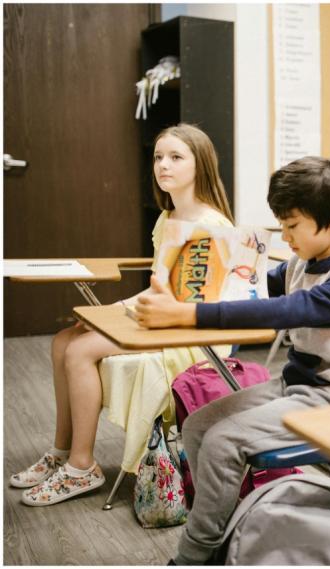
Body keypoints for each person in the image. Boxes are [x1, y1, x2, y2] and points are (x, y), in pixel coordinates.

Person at [134, 156, 330, 565]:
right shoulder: (302, 263)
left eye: (292, 226)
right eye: (281, 225)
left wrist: (188, 314)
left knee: (223, 442)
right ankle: (221, 531)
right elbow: (247, 289)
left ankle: (194, 555)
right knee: (198, 426)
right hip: (299, 387)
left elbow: (282, 310)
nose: (285, 237)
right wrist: (186, 283)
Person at [11, 123, 235, 506]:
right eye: (158, 157)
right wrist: (114, 310)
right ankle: (61, 452)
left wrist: (121, 314)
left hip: (189, 333)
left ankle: (82, 467)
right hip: (161, 317)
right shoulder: (168, 218)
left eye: (176, 157)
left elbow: (190, 300)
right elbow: (160, 286)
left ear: (200, 165)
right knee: (63, 341)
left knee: (80, 350)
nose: (163, 165)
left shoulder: (212, 226)